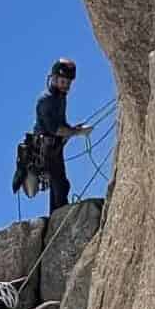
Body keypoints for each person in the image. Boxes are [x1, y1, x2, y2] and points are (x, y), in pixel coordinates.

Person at [34, 58, 93, 212]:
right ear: (53, 79)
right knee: (60, 185)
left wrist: (74, 129)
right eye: (62, 81)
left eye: (68, 83)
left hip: (55, 147)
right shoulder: (46, 100)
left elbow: (62, 125)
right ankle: (59, 218)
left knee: (59, 185)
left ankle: (56, 216)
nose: (66, 86)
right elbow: (55, 129)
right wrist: (78, 132)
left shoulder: (60, 97)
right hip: (45, 150)